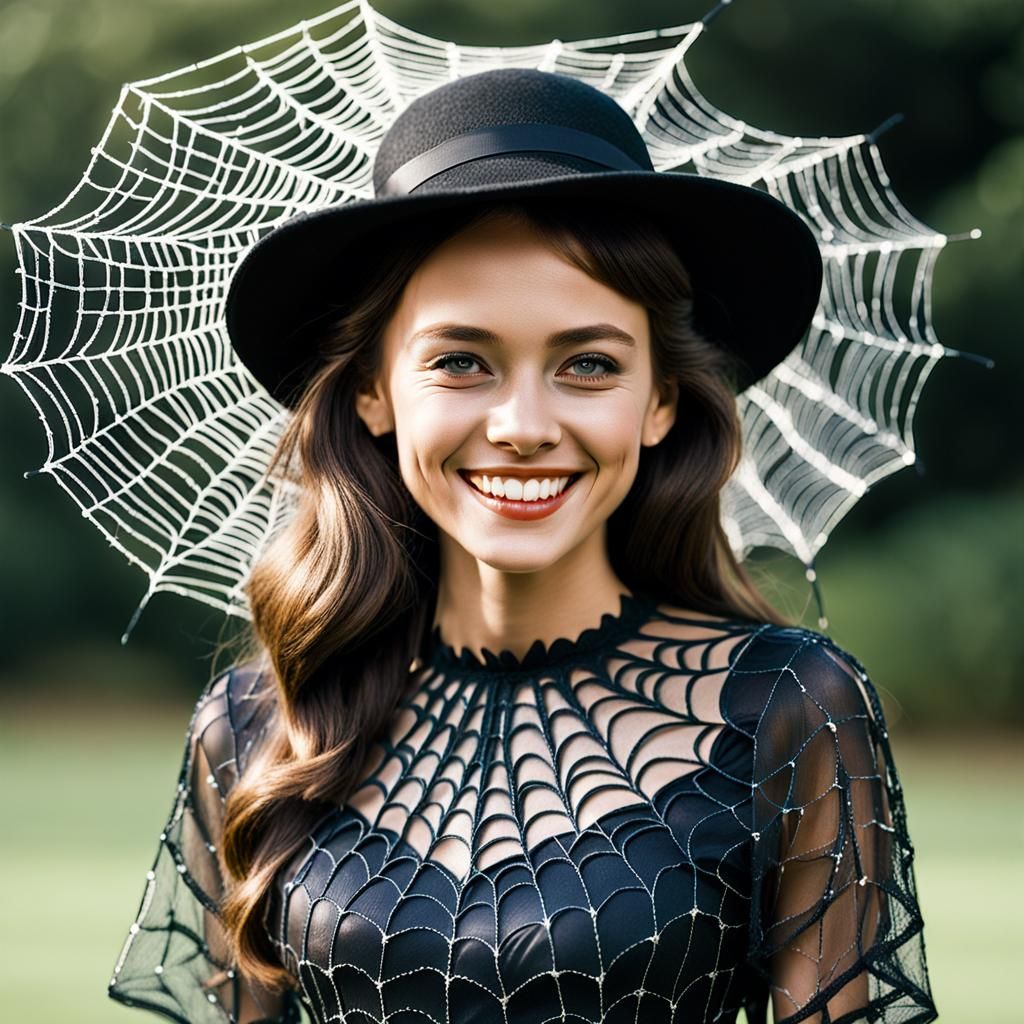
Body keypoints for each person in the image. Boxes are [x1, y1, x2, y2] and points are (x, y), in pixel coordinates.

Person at [107, 68, 937, 1024]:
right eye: (461, 361)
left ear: (659, 401)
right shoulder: (260, 729)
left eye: (588, 364)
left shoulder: (788, 709)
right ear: (374, 391)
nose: (524, 426)